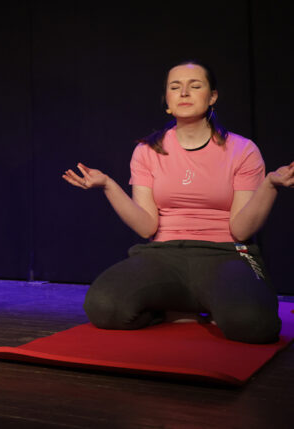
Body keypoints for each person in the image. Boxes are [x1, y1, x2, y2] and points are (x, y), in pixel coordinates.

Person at [63, 61, 294, 343]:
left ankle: (208, 304)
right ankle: (172, 307)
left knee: (253, 324)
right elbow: (146, 227)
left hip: (226, 254)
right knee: (104, 306)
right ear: (168, 101)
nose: (184, 92)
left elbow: (242, 230)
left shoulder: (243, 150)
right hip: (164, 254)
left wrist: (270, 185)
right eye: (175, 87)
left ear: (212, 97)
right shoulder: (147, 150)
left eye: (195, 86)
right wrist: (108, 185)